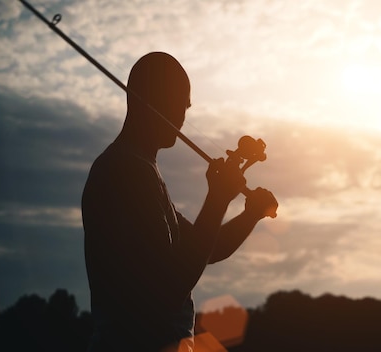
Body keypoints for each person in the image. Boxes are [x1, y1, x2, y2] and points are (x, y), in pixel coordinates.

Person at [81, 52, 278, 352]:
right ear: (146, 100)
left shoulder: (141, 169)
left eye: (184, 107)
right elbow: (168, 287)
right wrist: (217, 198)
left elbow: (208, 249)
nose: (181, 117)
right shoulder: (123, 170)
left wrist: (250, 214)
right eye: (177, 104)